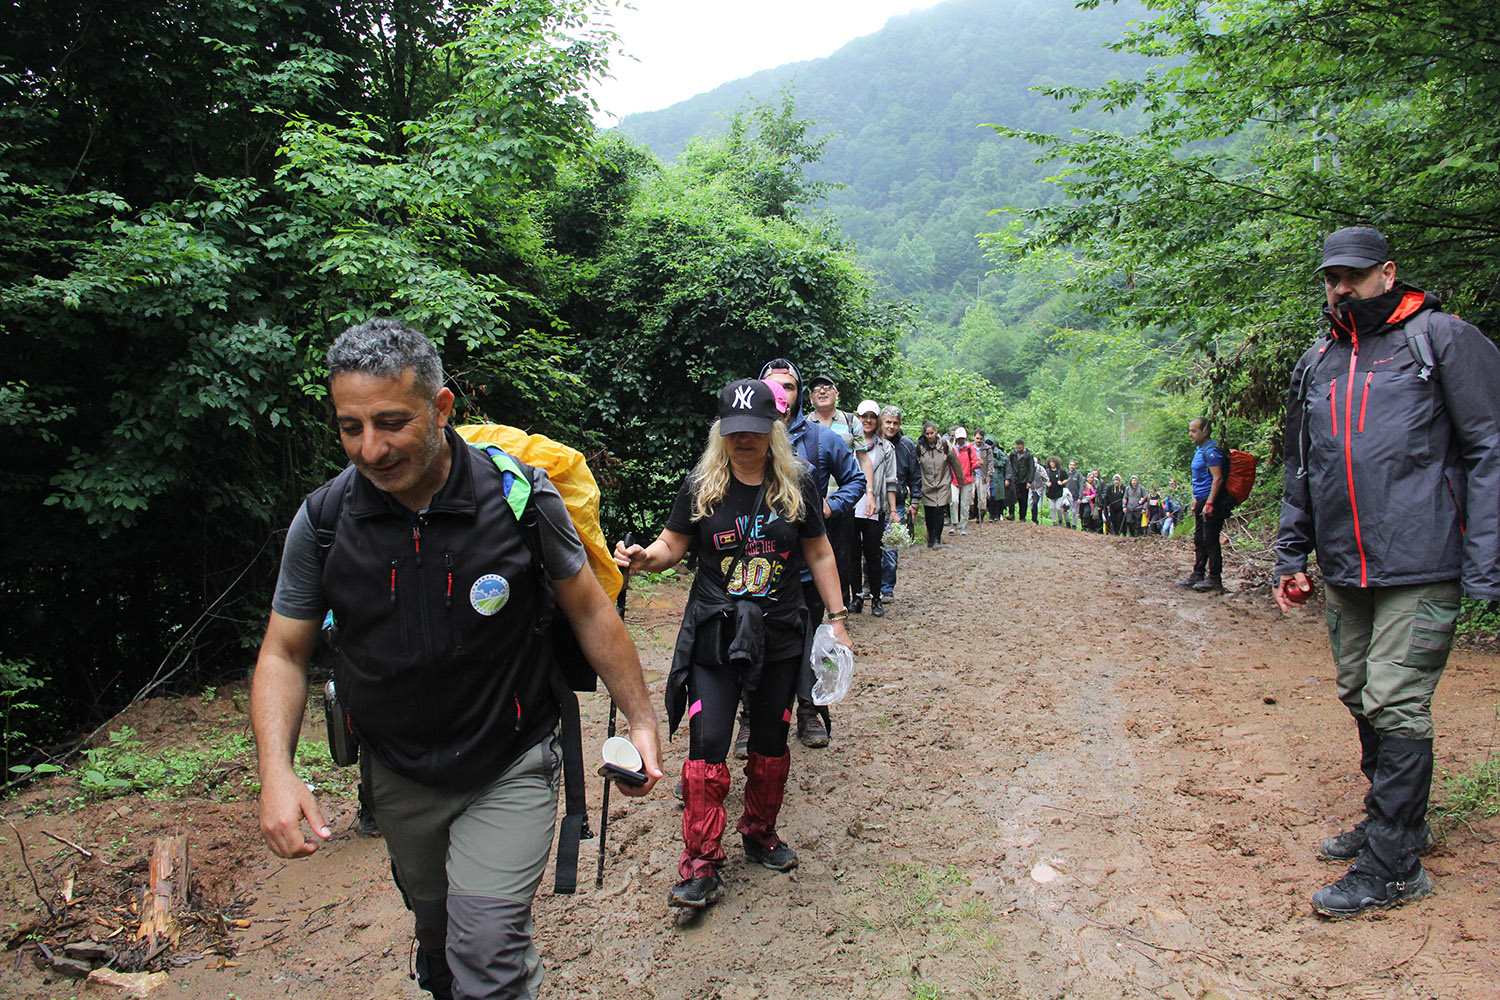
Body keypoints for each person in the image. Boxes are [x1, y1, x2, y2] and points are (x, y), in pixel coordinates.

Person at [251, 319, 663, 1000]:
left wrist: (641, 721)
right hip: (399, 773)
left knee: (490, 946)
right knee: (441, 947)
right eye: (350, 428)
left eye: (390, 423)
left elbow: (590, 610)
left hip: (511, 760)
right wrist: (277, 769)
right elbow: (284, 651)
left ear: (440, 408)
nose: (371, 449)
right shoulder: (325, 521)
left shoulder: (520, 500)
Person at [1275, 225, 1500, 919]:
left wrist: (1485, 566)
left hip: (1423, 559)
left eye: (1355, 275)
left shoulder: (1442, 341)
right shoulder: (1319, 362)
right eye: (1331, 278)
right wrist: (1291, 552)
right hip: (1346, 565)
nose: (1342, 288)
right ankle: (1391, 817)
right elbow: (1301, 466)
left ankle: (1396, 864)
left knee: (1395, 698)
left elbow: (1490, 449)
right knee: (1357, 690)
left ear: (1388, 272)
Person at [616, 378, 852, 910]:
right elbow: (672, 546)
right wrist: (642, 559)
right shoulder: (703, 483)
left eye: (755, 431)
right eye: (734, 432)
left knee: (770, 741)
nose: (744, 440)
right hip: (715, 631)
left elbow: (818, 554)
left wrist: (836, 620)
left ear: (774, 431)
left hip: (781, 630)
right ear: (721, 433)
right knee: (710, 741)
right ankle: (701, 861)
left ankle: (759, 832)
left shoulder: (799, 485)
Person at [758, 359, 864, 749]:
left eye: (788, 386)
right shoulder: (746, 438)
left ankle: (809, 711)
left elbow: (855, 478)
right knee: (752, 643)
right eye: (772, 386)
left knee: (808, 641)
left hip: (805, 569)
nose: (780, 393)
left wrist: (831, 506)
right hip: (757, 567)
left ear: (798, 394)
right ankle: (750, 718)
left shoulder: (819, 440)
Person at [805, 374, 860, 616]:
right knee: (813, 557)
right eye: (817, 389)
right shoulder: (802, 425)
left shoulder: (850, 421)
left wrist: (868, 494)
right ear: (809, 397)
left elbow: (863, 461)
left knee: (841, 556)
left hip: (840, 504)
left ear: (836, 393)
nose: (822, 391)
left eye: (828, 387)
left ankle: (840, 608)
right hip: (810, 508)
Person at [851, 400, 898, 616]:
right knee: (852, 554)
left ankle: (877, 597)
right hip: (850, 507)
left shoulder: (886, 448)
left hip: (875, 508)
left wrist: (893, 511)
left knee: (873, 554)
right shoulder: (848, 444)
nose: (867, 420)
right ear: (858, 418)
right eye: (864, 416)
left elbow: (890, 481)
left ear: (877, 420)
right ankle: (856, 597)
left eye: (871, 417)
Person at [1178, 419, 1230, 591]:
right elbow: (1200, 478)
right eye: (1190, 431)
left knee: (1210, 539)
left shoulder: (1212, 451)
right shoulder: (1199, 450)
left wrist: (1209, 502)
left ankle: (1215, 578)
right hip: (1202, 500)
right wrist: (1196, 499)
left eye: (1194, 431)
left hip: (1213, 501)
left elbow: (1218, 478)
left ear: (1205, 431)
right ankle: (1198, 573)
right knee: (1200, 538)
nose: (1190, 434)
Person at [879, 406, 920, 602]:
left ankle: (887, 588)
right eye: (888, 422)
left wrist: (916, 500)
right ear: (882, 422)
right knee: (868, 546)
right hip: (874, 502)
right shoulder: (872, 442)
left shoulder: (906, 445)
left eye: (895, 423)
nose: (891, 426)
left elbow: (915, 474)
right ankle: (869, 584)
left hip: (899, 503)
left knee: (890, 547)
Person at [916, 421, 961, 548]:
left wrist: (960, 480)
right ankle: (930, 536)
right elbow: (914, 464)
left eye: (932, 433)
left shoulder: (945, 445)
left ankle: (938, 538)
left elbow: (955, 462)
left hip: (942, 482)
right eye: (927, 434)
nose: (930, 436)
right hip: (927, 483)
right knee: (929, 511)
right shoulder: (920, 446)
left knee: (939, 510)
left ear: (936, 432)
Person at [949, 427, 979, 535]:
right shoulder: (951, 448)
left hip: (967, 479)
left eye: (962, 438)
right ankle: (954, 524)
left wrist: (978, 465)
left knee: (965, 504)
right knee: (954, 501)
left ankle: (963, 526)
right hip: (954, 479)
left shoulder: (970, 448)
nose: (961, 440)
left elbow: (974, 462)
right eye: (959, 438)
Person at [1004, 439, 1037, 523]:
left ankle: (1022, 517)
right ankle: (1011, 514)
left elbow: (1031, 468)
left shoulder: (1029, 455)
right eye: (1017, 447)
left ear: (1023, 445)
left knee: (1023, 499)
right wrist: (1009, 477)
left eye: (1020, 447)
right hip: (1014, 478)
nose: (1018, 449)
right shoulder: (1012, 454)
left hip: (1024, 479)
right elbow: (1009, 465)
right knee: (1012, 496)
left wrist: (1030, 481)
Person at [973, 430, 995, 522]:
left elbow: (990, 462)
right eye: (977, 438)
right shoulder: (970, 447)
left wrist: (990, 475)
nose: (978, 440)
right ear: (974, 437)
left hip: (983, 476)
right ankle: (971, 514)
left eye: (981, 439)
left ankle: (981, 515)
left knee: (982, 498)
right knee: (971, 497)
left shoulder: (987, 449)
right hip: (971, 475)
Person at [1044, 456, 1068, 526]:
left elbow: (1068, 478)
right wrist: (1046, 483)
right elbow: (1044, 480)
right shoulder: (1047, 471)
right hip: (1050, 492)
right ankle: (1054, 521)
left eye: (1053, 462)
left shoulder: (1061, 471)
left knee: (1058, 508)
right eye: (1051, 462)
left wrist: (1062, 482)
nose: (1052, 463)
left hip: (1059, 492)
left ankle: (1060, 520)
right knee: (1051, 508)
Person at [1064, 461, 1084, 530]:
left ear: (1075, 466)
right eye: (1070, 465)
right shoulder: (1066, 474)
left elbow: (1081, 486)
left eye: (1073, 465)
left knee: (1075, 512)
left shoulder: (1078, 475)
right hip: (1066, 496)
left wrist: (1080, 497)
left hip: (1075, 496)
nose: (1071, 466)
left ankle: (1074, 525)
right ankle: (1067, 524)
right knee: (1065, 511)